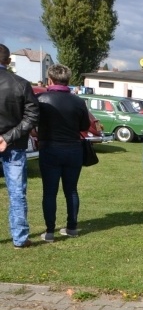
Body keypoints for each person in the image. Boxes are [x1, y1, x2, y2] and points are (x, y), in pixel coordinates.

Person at [35, 64, 91, 241]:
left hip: (49, 148)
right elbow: (84, 126)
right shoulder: (79, 101)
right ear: (68, 80)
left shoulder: (40, 98)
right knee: (71, 190)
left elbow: (32, 121)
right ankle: (72, 227)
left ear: (50, 79)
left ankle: (50, 231)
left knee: (49, 192)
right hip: (73, 149)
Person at [0, 43, 38, 249]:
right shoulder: (21, 84)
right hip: (14, 143)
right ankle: (20, 238)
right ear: (8, 61)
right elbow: (32, 116)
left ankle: (21, 237)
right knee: (16, 192)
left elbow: (32, 114)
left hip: (11, 142)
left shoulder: (21, 84)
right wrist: (8, 137)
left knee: (17, 192)